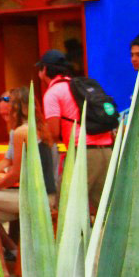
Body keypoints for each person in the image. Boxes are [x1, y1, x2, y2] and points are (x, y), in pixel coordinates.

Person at [0, 87, 56, 277]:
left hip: (35, 198)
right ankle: (6, 266)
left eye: (8, 102)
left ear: (16, 107)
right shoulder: (40, 128)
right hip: (46, 195)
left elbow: (15, 173)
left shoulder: (22, 132)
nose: (4, 106)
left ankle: (2, 269)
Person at [38, 49, 114, 212]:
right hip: (107, 151)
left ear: (44, 70)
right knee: (105, 210)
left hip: (83, 154)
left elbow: (54, 132)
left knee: (66, 208)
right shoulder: (80, 87)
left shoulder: (53, 93)